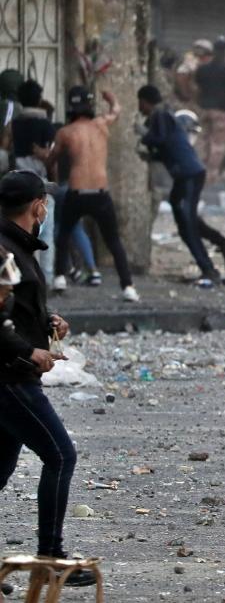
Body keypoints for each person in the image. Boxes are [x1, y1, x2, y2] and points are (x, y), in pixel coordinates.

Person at [0, 171, 97, 589]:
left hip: (14, 376)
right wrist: (28, 350)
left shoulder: (16, 248)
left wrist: (46, 321)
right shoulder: (4, 250)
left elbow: (14, 305)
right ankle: (50, 556)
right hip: (9, 379)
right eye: (45, 201)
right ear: (37, 206)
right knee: (61, 455)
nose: (47, 208)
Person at [36, 86, 139, 302]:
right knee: (113, 241)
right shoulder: (101, 124)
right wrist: (111, 99)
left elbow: (51, 160)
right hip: (100, 193)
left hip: (78, 192)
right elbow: (116, 112)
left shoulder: (65, 132)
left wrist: (41, 154)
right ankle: (128, 286)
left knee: (64, 234)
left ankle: (60, 278)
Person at [137, 85, 225, 287]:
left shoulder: (161, 115)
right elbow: (167, 147)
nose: (140, 108)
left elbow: (160, 139)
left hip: (189, 175)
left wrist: (143, 134)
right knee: (186, 223)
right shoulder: (163, 116)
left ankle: (210, 270)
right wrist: (150, 155)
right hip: (184, 176)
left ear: (146, 101)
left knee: (188, 224)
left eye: (140, 103)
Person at [10, 80, 57, 282]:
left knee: (18, 235)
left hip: (18, 185)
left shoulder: (14, 124)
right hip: (40, 186)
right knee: (45, 235)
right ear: (39, 100)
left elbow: (7, 149)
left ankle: (20, 276)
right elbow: (52, 159)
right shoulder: (46, 125)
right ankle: (45, 277)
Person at [194, 37, 225, 183]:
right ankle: (211, 176)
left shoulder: (202, 69)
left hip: (204, 110)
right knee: (218, 145)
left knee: (202, 141)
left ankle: (198, 171)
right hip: (222, 112)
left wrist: (198, 105)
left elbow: (196, 89)